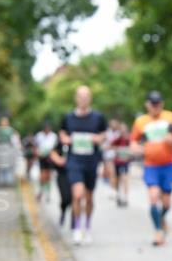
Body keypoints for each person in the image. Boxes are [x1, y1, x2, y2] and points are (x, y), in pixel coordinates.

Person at [131, 91, 172, 246]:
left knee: (167, 203)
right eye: (152, 104)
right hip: (151, 165)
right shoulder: (141, 121)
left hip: (168, 164)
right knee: (154, 196)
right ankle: (158, 231)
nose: (155, 107)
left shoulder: (171, 118)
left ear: (162, 104)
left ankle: (161, 218)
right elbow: (133, 141)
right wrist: (136, 148)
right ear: (147, 105)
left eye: (158, 104)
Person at [59, 85, 107, 245]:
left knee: (89, 197)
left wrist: (95, 139)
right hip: (75, 160)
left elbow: (103, 136)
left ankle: (87, 226)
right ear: (76, 98)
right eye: (81, 96)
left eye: (86, 96)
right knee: (77, 194)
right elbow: (62, 135)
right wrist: (69, 139)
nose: (83, 99)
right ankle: (77, 228)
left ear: (90, 98)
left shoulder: (98, 117)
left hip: (91, 160)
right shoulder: (68, 118)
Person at [34, 121, 59, 203]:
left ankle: (48, 193)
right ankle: (41, 190)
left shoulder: (53, 136)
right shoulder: (39, 135)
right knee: (42, 176)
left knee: (48, 176)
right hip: (42, 157)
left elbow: (56, 147)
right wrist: (37, 153)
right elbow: (36, 146)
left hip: (51, 157)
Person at [112, 122, 132, 207]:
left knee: (125, 178)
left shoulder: (129, 138)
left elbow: (133, 146)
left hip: (125, 162)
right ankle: (118, 194)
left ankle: (125, 197)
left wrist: (129, 151)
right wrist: (118, 149)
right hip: (117, 161)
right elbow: (111, 145)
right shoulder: (117, 139)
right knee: (117, 179)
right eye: (121, 130)